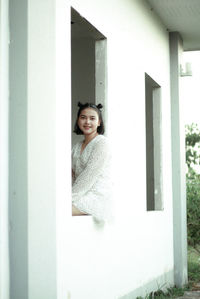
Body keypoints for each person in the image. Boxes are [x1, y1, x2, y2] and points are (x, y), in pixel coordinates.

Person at [72, 102, 112, 222]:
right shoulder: (76, 147)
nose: (87, 122)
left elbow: (89, 175)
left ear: (99, 122)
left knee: (58, 209)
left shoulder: (102, 143)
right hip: (80, 194)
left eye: (92, 118)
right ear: (78, 120)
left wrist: (68, 198)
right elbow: (71, 174)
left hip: (97, 196)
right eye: (83, 117)